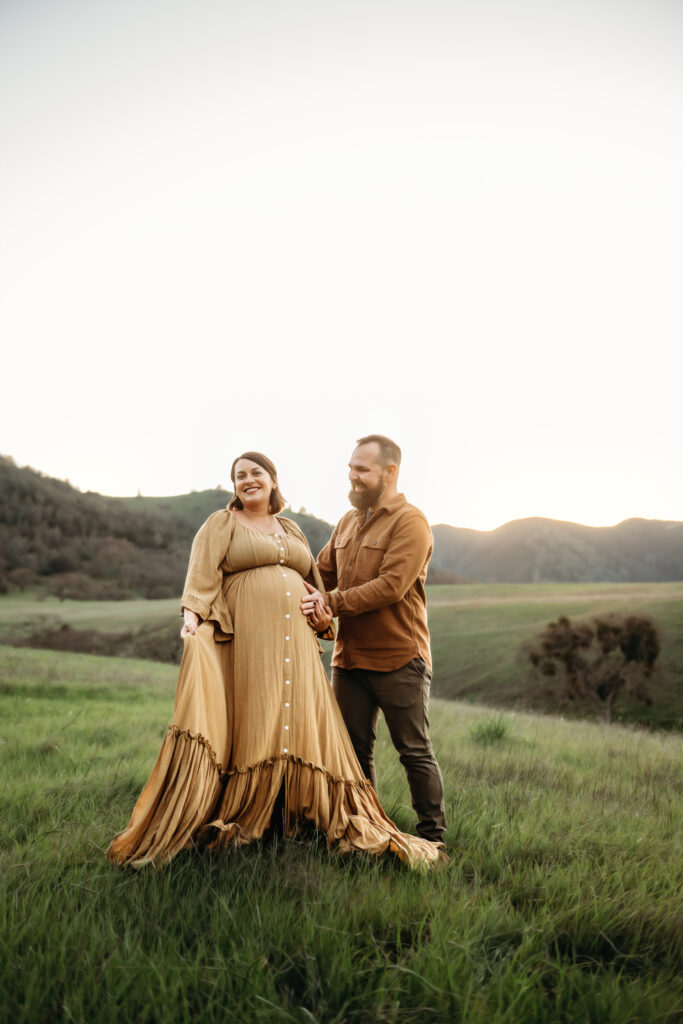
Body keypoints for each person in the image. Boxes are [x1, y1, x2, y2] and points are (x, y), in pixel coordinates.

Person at [107, 451, 445, 869]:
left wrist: (323, 610)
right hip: (251, 642)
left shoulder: (292, 528)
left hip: (302, 650)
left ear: (272, 479)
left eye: (255, 473)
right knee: (260, 721)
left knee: (311, 729)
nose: (247, 480)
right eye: (239, 476)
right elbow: (201, 576)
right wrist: (191, 619)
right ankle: (259, 814)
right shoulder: (222, 523)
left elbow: (319, 581)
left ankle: (331, 820)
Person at [301, 435, 447, 847]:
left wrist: (328, 602)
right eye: (351, 468)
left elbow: (390, 587)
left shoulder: (411, 522)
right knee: (353, 752)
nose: (353, 477)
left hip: (400, 658)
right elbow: (320, 572)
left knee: (413, 751)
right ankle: (366, 831)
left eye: (362, 470)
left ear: (390, 472)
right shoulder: (347, 522)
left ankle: (433, 840)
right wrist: (280, 581)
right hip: (349, 661)